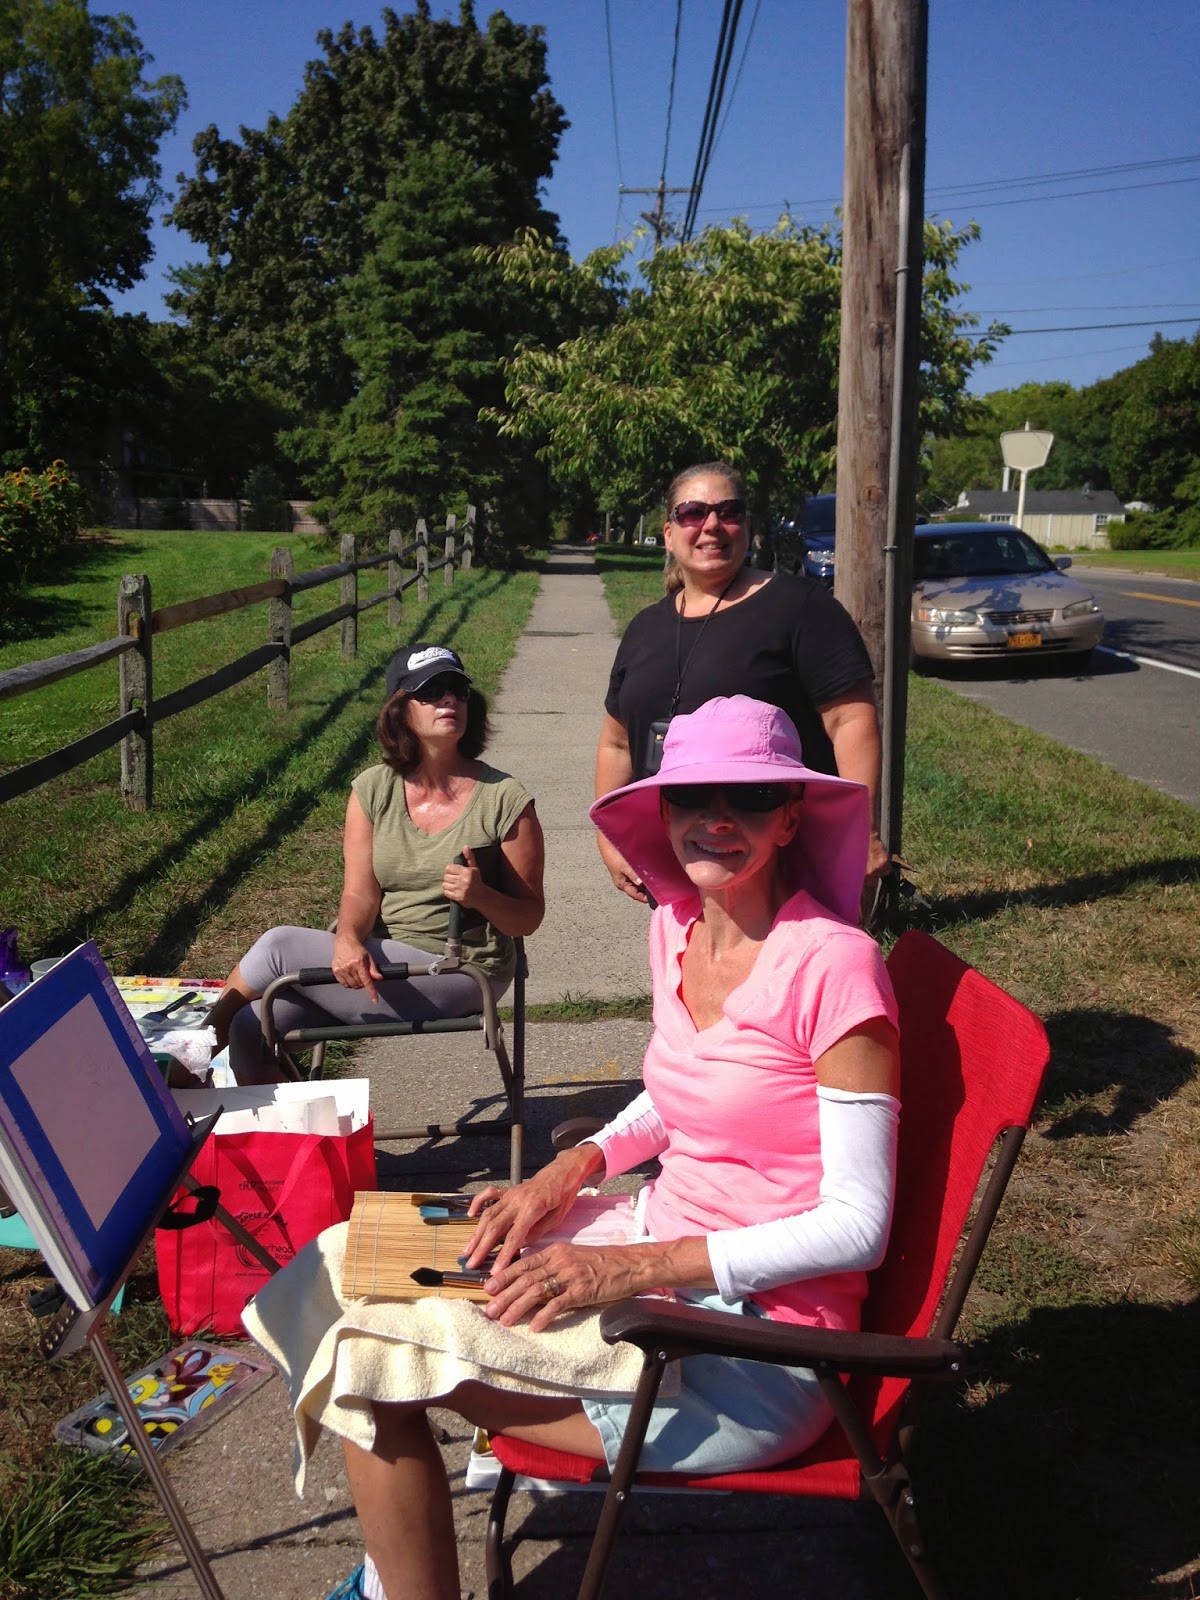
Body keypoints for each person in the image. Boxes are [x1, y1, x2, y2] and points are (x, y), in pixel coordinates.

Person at [248, 694, 899, 1600]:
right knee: (343, 1259)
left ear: (791, 815)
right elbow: (675, 1098)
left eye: (747, 800)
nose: (715, 819)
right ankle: (396, 1569)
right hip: (650, 1262)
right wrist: (568, 1170)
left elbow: (859, 1228)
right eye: (691, 796)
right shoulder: (676, 924)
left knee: (367, 1353)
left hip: (748, 1353)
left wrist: (624, 1268)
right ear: (662, 814)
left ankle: (398, 1585)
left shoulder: (835, 966)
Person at [205, 643, 545, 1084]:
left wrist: (480, 895)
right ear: (400, 711)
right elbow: (359, 892)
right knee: (250, 1023)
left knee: (277, 948)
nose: (449, 700)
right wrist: (347, 939)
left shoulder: (504, 798)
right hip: (383, 966)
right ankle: (304, 1144)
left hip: (462, 969)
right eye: (432, 691)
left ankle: (190, 1052)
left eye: (458, 690)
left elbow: (528, 918)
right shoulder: (373, 789)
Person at [596, 461, 888, 900]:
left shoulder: (800, 608)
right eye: (693, 512)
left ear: (746, 527)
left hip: (778, 858)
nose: (712, 524)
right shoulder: (645, 628)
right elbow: (617, 743)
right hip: (682, 850)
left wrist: (858, 831)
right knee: (694, 963)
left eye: (728, 512)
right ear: (669, 533)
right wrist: (611, 836)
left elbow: (851, 721)